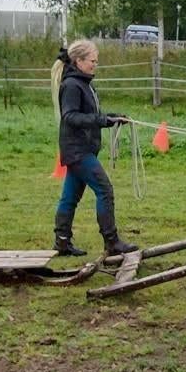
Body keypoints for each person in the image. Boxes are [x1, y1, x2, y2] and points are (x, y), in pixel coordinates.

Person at [51, 39, 138, 257]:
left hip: (83, 149)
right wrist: (101, 121)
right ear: (78, 61)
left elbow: (91, 114)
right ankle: (112, 241)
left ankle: (62, 241)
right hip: (78, 150)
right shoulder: (72, 85)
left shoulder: (84, 83)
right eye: (92, 61)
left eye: (96, 61)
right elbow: (70, 116)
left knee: (70, 196)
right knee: (105, 190)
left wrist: (111, 117)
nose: (94, 65)